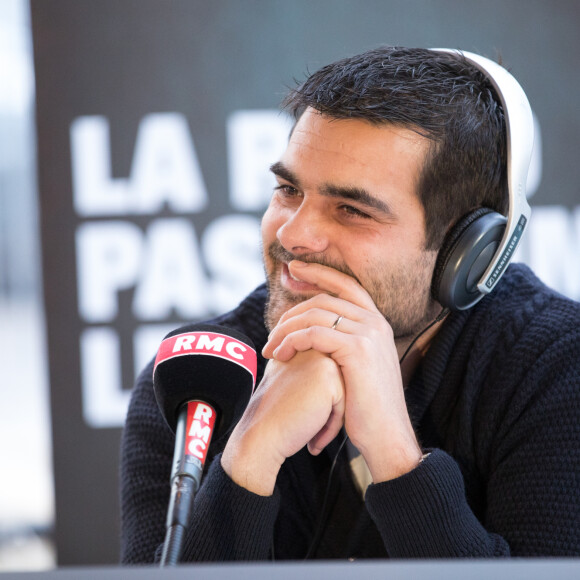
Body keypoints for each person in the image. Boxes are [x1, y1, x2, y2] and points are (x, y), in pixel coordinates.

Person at [120, 46, 580, 562]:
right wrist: (247, 457)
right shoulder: (201, 376)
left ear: (469, 253)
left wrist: (395, 454)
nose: (294, 235)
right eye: (288, 189)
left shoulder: (557, 367)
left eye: (351, 210)